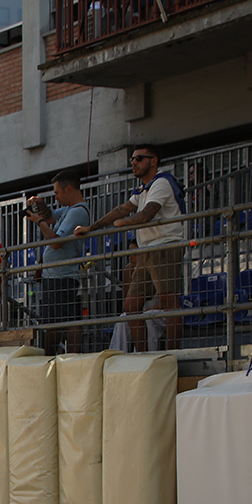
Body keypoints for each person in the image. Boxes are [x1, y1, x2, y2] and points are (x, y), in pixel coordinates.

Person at [76, 145, 186, 352]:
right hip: (146, 251)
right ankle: (142, 355)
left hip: (165, 247)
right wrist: (92, 227)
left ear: (153, 161)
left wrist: (124, 223)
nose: (134, 162)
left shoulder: (162, 182)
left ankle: (173, 354)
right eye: (132, 159)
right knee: (131, 306)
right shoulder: (145, 188)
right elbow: (121, 210)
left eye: (139, 158)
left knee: (168, 302)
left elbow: (146, 214)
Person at [27, 170, 89, 354]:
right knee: (52, 321)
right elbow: (50, 216)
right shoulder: (70, 210)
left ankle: (67, 357)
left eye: (57, 193)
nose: (56, 197)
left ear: (68, 189)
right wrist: (39, 205)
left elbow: (55, 242)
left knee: (67, 321)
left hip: (62, 276)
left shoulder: (77, 212)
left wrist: (39, 221)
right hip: (55, 276)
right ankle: (51, 357)